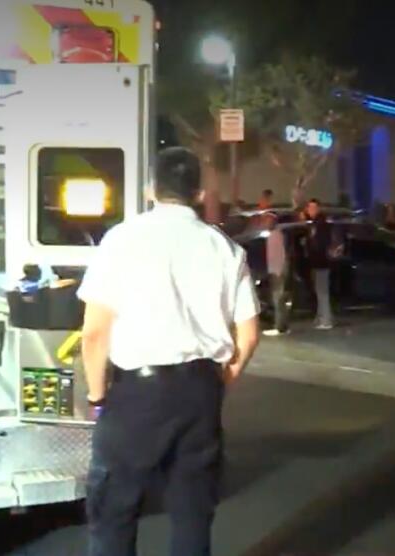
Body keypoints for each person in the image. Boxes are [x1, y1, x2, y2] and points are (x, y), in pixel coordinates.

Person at [78, 147, 260, 556]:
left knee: (114, 510)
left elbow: (94, 333)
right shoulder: (226, 249)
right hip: (200, 391)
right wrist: (221, 381)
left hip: (137, 394)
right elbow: (248, 335)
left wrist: (98, 398)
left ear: (149, 189)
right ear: (198, 192)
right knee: (193, 512)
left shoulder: (122, 240)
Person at [303, 199, 337, 330]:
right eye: (309, 208)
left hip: (322, 262)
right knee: (319, 292)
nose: (311, 210)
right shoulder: (313, 223)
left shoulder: (321, 224)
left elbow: (320, 243)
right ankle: (320, 317)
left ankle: (326, 320)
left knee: (322, 292)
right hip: (316, 262)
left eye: (313, 208)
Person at [261, 212, 289, 337]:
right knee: (277, 299)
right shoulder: (273, 235)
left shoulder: (276, 235)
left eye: (267, 220)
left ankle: (280, 327)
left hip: (277, 271)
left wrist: (277, 272)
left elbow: (280, 256)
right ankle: (282, 326)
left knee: (278, 299)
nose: (265, 223)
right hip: (275, 270)